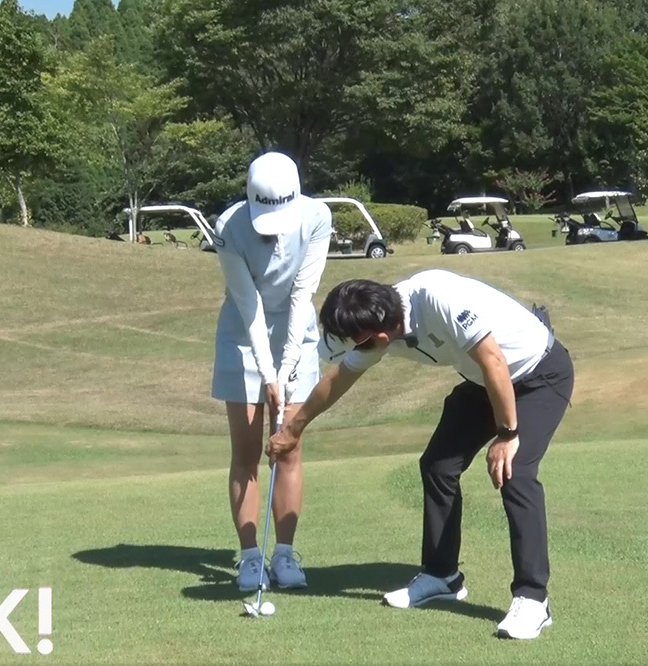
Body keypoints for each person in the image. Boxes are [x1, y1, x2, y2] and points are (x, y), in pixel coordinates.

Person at [267, 269, 574, 639]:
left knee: (516, 472)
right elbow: (339, 378)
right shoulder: (378, 329)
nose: (363, 348)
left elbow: (493, 359)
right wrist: (294, 428)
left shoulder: (437, 297)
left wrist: (507, 435)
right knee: (438, 465)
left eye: (364, 342)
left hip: (539, 374)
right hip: (484, 382)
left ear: (382, 331)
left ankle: (533, 598)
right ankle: (442, 575)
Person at [211, 151, 332, 591]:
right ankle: (249, 558)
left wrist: (287, 365)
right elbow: (249, 304)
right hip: (243, 336)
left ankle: (283, 555)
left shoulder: (317, 217)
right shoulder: (228, 227)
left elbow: (302, 295)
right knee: (246, 453)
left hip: (296, 335)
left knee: (288, 449)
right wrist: (268, 374)